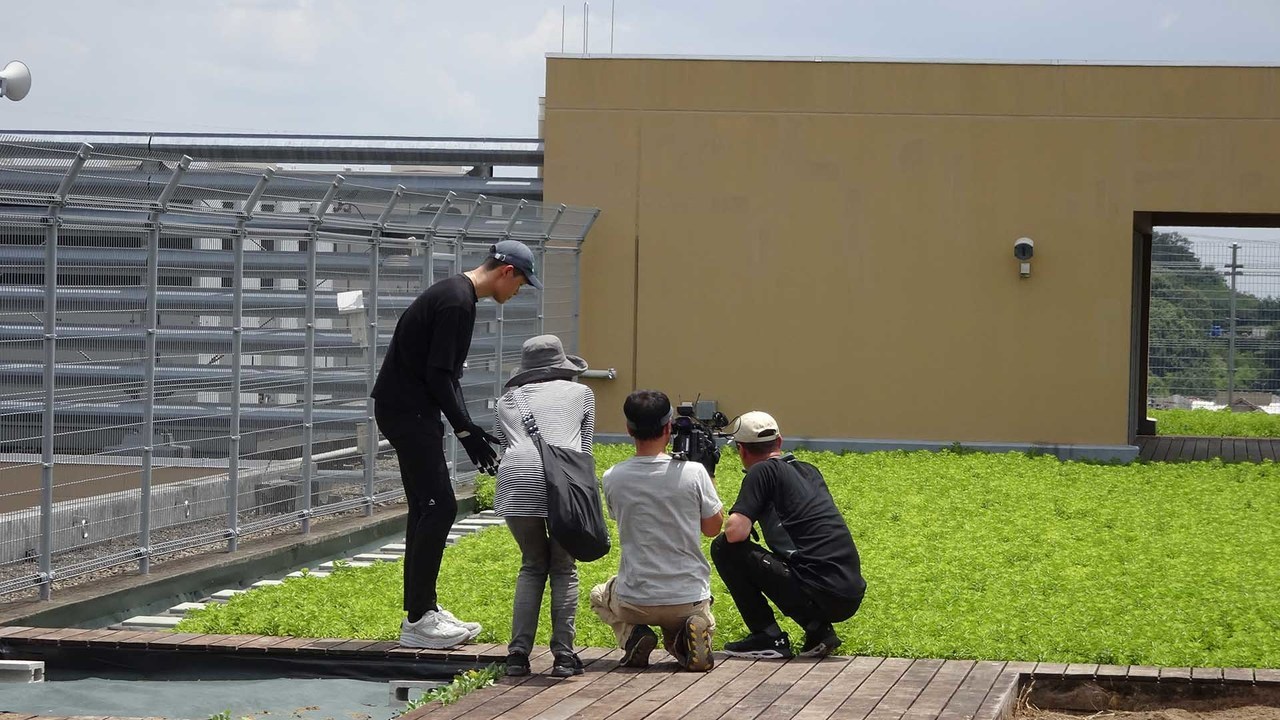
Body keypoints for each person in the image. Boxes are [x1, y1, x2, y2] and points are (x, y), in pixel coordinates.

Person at [372, 240, 540, 649]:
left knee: (426, 508)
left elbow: (448, 377)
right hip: (408, 411)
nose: (518, 291)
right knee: (440, 506)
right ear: (506, 272)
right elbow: (438, 376)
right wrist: (465, 432)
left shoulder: (457, 295)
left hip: (408, 410)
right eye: (520, 283)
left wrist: (468, 428)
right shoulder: (456, 302)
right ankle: (418, 620)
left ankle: (421, 610)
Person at [710, 411, 866, 660]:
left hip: (821, 591)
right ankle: (818, 630)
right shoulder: (808, 470)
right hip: (849, 591)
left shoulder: (761, 471)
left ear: (741, 450)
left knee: (723, 548)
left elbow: (734, 533)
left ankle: (767, 635)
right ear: (780, 442)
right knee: (802, 561)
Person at [590, 390, 723, 672]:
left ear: (628, 429)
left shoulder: (613, 476)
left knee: (599, 594)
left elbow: (620, 517)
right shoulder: (694, 472)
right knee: (686, 619)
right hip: (688, 597)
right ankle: (686, 637)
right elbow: (713, 529)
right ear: (668, 427)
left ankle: (634, 634)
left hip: (635, 599)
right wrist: (707, 473)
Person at [491, 334, 595, 679]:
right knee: (563, 567)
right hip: (563, 477)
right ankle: (564, 656)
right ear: (562, 364)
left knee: (533, 564)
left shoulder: (507, 400)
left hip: (515, 475)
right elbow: (585, 451)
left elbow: (507, 444)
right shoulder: (582, 393)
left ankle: (518, 656)